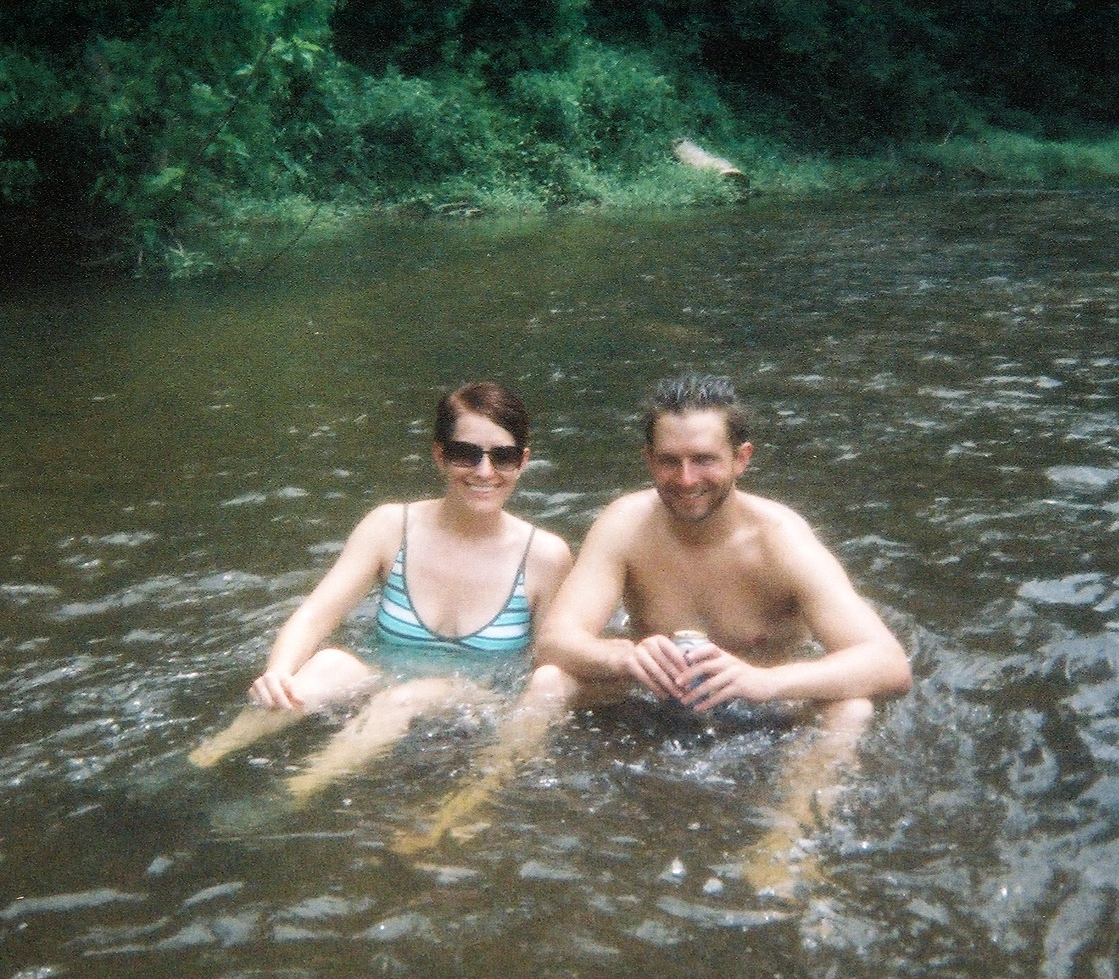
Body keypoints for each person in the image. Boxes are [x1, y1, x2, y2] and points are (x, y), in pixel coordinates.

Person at [533, 371, 912, 896]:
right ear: (649, 460)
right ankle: (485, 794)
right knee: (549, 681)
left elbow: (889, 663)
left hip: (763, 714)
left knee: (852, 709)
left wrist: (766, 681)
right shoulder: (626, 524)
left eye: (704, 459)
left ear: (741, 459)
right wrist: (623, 657)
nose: (686, 478)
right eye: (669, 461)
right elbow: (553, 641)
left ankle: (787, 842)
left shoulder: (780, 541)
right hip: (656, 696)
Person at [189, 381, 573, 809]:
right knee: (329, 663)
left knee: (404, 698)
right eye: (466, 453)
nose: (484, 472)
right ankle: (199, 762)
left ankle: (290, 795)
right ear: (439, 455)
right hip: (385, 678)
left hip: (476, 700)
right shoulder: (391, 527)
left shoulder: (545, 556)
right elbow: (315, 614)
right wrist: (278, 672)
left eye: (502, 456)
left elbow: (549, 668)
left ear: (522, 462)